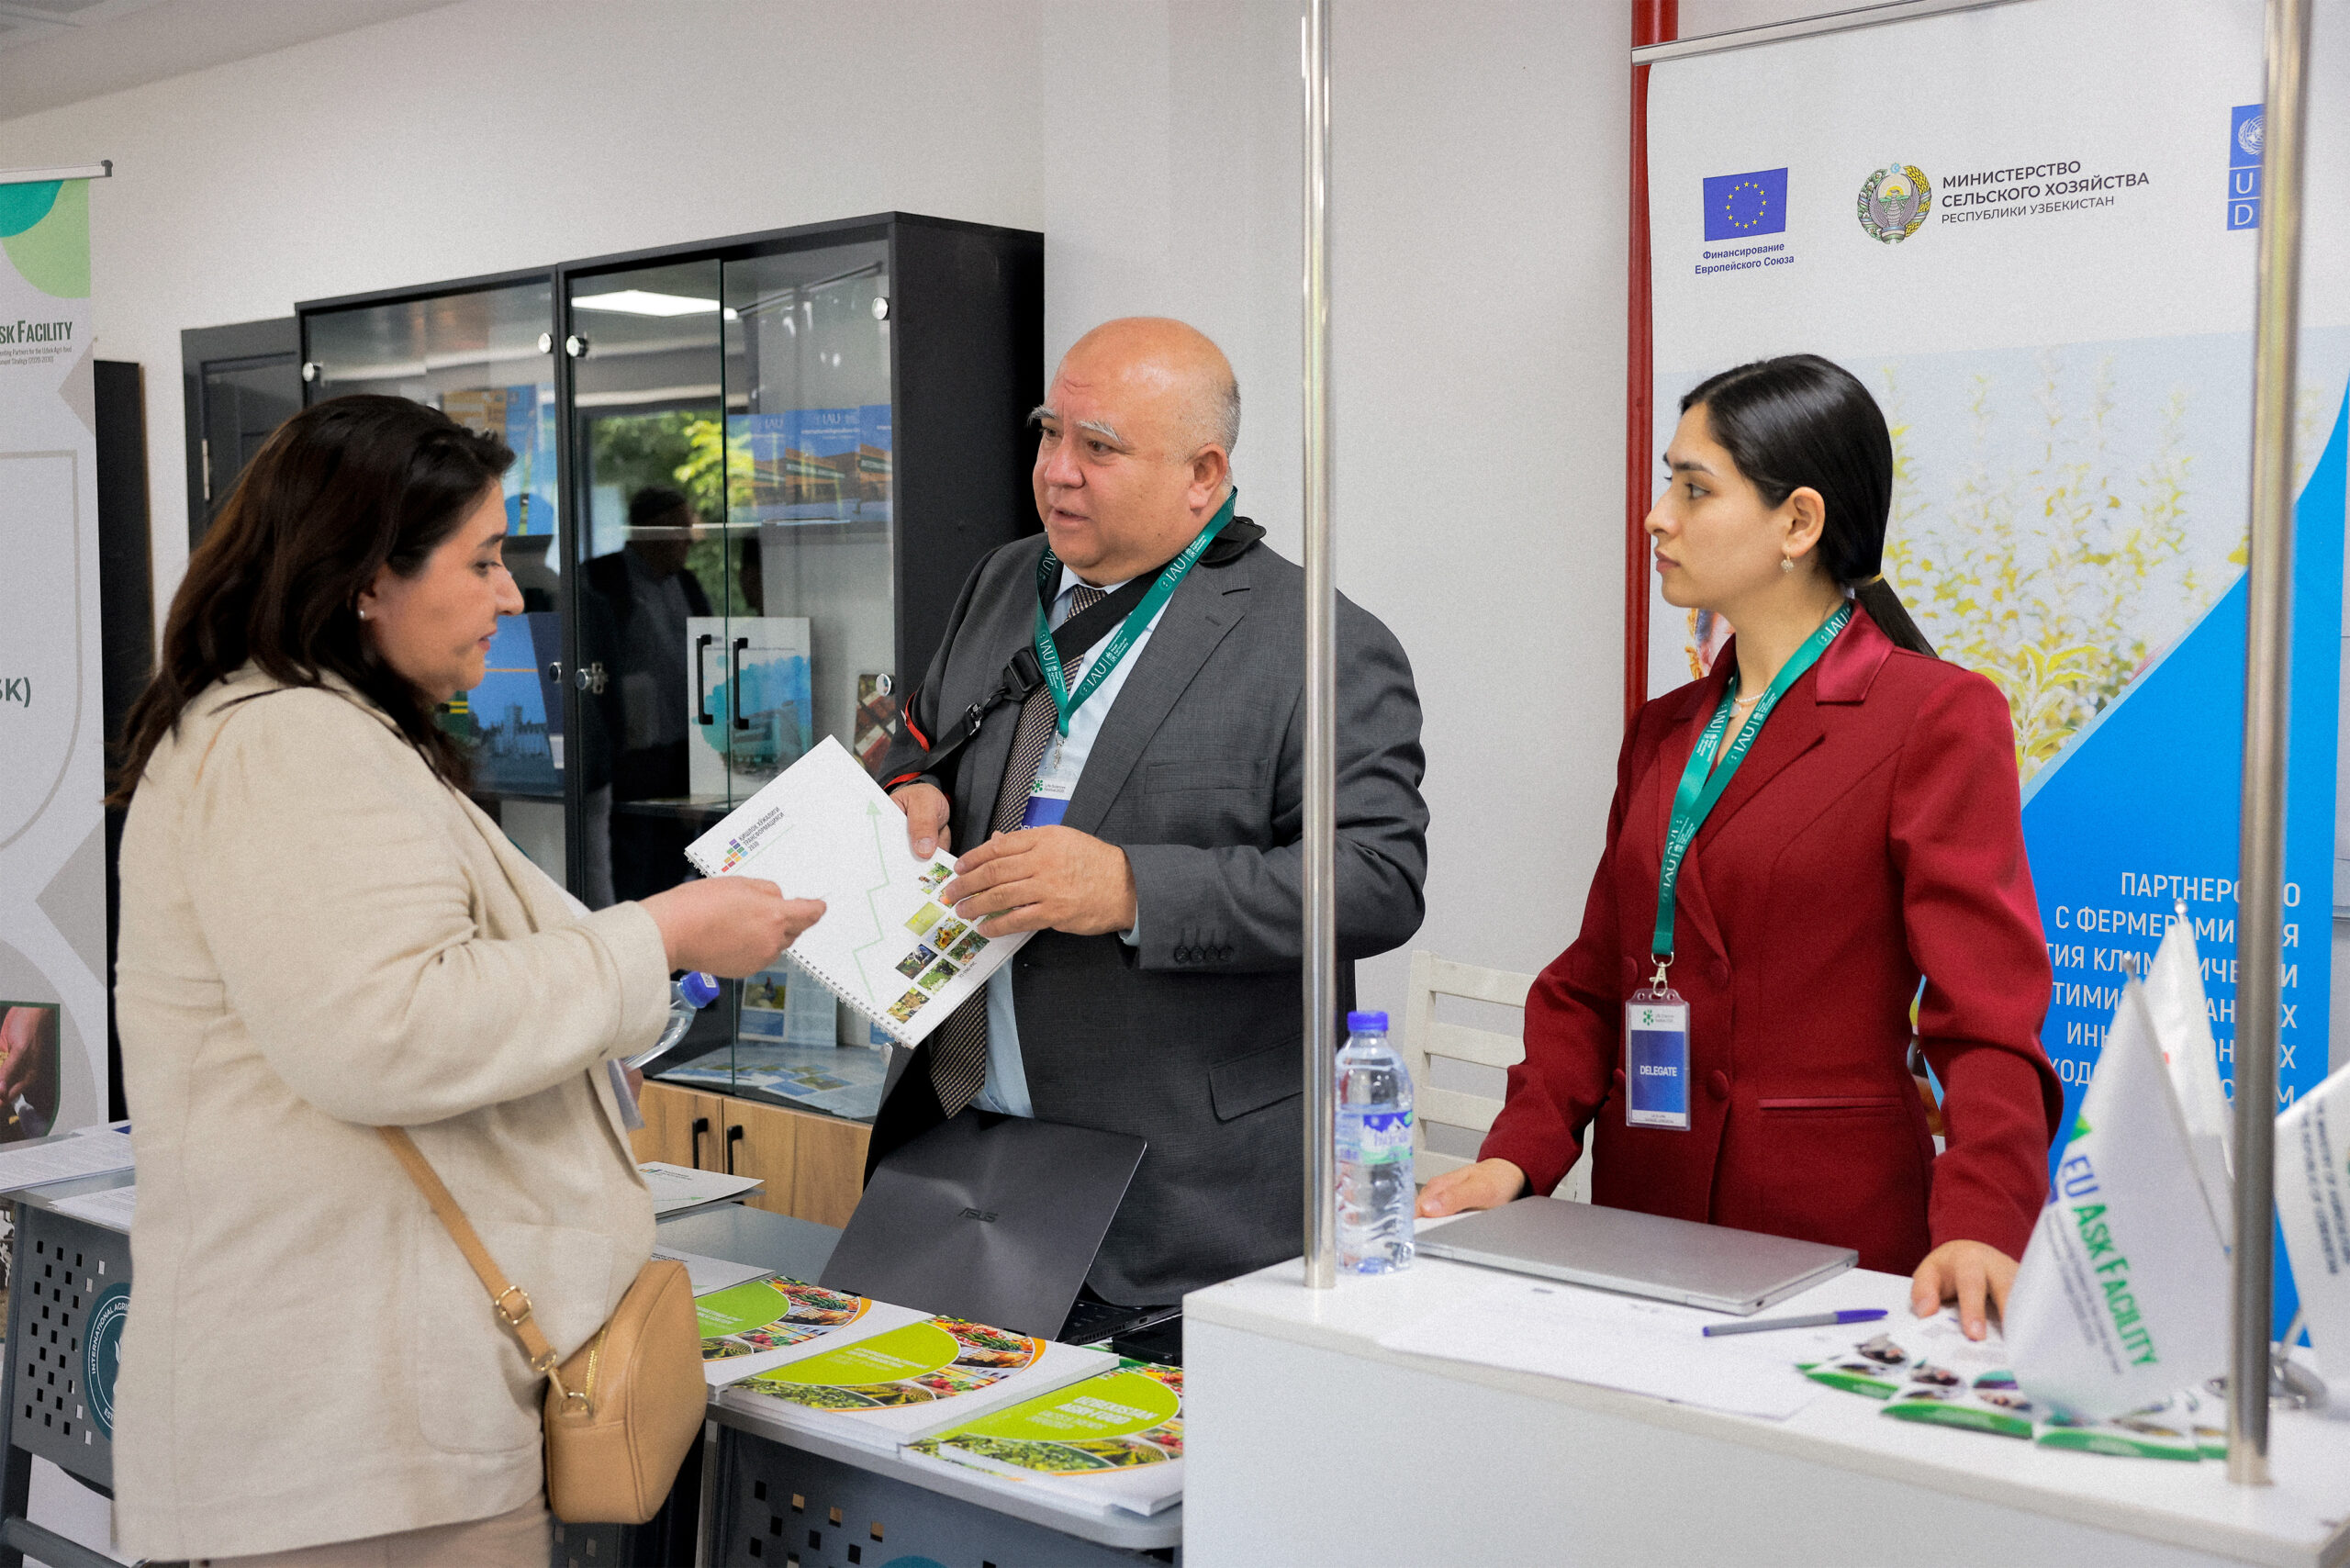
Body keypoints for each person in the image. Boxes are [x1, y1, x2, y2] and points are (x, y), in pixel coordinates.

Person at [109, 395, 822, 1565]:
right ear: (366, 578)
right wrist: (664, 934)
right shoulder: (294, 744)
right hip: (355, 1440)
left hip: (379, 1424)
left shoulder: (325, 731)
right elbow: (387, 1031)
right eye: (482, 561)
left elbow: (402, 998)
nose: (511, 598)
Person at [1418, 354, 2061, 1339]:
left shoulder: (1934, 716)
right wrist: (1517, 1155)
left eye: (1693, 489)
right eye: (1665, 485)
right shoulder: (1664, 729)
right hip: (1643, 1220)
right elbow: (1593, 978)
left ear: (1798, 524)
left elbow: (1987, 1014)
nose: (1656, 518)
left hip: (1832, 1238)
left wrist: (1983, 1221)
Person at [867, 318, 1429, 1305]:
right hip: (958, 1145)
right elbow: (923, 733)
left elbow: (1377, 881)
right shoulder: (1004, 580)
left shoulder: (1315, 642)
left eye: (1099, 447)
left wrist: (1132, 888)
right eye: (1050, 432)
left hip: (1176, 1196)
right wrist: (913, 785)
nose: (1057, 471)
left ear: (1203, 475)